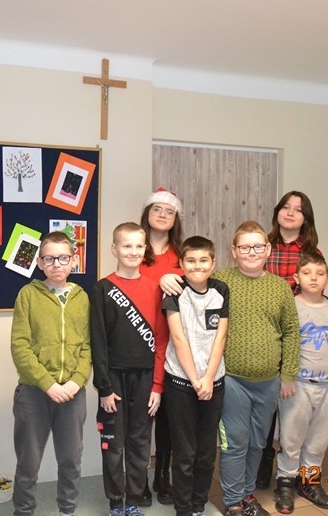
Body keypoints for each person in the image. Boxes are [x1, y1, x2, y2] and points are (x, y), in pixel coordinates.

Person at [214, 221, 300, 516]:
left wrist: (288, 375)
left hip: (269, 382)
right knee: (235, 442)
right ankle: (233, 502)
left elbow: (291, 332)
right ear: (234, 251)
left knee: (257, 443)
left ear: (268, 250)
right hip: (231, 380)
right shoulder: (220, 281)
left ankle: (247, 495)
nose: (252, 252)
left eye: (258, 246)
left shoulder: (280, 287)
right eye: (245, 247)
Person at [10, 231, 92, 516]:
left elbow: (87, 346)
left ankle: (67, 510)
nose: (56, 264)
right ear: (39, 263)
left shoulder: (82, 298)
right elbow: (20, 346)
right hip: (34, 393)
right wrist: (47, 384)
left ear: (74, 261)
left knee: (71, 460)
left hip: (72, 393)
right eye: (49, 258)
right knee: (28, 462)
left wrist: (76, 382)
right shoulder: (28, 295)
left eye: (63, 258)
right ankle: (23, 511)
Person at [91, 222, 169, 516]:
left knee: (139, 441)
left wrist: (157, 386)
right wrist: (103, 387)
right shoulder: (102, 288)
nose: (133, 251)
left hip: (146, 379)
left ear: (145, 249)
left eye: (138, 246)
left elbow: (161, 340)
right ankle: (115, 501)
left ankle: (134, 498)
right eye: (127, 246)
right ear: (114, 249)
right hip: (113, 379)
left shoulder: (155, 289)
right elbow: (98, 341)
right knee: (113, 443)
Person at [274, 251, 328, 513]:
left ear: (327, 278)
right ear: (297, 278)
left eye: (320, 274)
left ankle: (309, 482)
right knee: (291, 439)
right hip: (298, 385)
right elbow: (281, 343)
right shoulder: (291, 307)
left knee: (318, 440)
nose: (314, 278)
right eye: (307, 273)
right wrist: (284, 378)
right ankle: (285, 483)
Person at [256, 191, 319, 490]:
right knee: (266, 407)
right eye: (285, 207)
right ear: (277, 211)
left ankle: (293, 471)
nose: (290, 213)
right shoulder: (262, 247)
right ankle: (262, 461)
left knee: (295, 408)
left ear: (306, 218)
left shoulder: (312, 253)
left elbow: (314, 295)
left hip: (298, 336)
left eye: (298, 209)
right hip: (265, 334)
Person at [162, 236, 229, 516]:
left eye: (203, 260)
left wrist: (208, 378)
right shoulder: (174, 291)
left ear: (213, 264)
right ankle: (183, 508)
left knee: (205, 452)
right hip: (181, 383)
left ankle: (199, 503)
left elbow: (220, 336)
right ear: (181, 263)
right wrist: (195, 380)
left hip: (213, 383)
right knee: (185, 453)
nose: (197, 266)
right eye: (190, 260)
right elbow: (178, 339)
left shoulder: (221, 289)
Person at [139, 187, 184, 505]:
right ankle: (138, 478)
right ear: (147, 213)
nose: (163, 215)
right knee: (141, 419)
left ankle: (162, 476)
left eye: (170, 211)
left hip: (172, 346)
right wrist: (159, 281)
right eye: (157, 209)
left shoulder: (182, 254)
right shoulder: (135, 248)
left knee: (168, 419)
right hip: (139, 343)